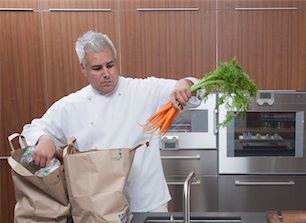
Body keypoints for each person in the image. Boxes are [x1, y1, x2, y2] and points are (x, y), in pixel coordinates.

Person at [21, 30, 200, 212]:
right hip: (99, 209)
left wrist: (185, 83)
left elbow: (194, 94)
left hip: (146, 202)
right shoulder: (70, 105)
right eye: (97, 68)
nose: (106, 73)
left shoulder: (144, 90)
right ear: (83, 68)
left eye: (110, 65)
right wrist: (43, 138)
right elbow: (32, 129)